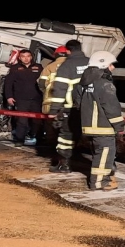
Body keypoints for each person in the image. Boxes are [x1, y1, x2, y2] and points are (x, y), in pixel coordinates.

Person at [75, 50, 124, 190]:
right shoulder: (105, 84)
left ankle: (101, 179)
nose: (113, 68)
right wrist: (119, 126)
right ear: (103, 66)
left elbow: (77, 103)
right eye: (111, 65)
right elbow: (112, 107)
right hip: (103, 126)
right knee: (104, 155)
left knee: (98, 154)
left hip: (88, 125)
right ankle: (99, 182)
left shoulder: (83, 83)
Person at [47, 39, 89, 173]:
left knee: (66, 136)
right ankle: (107, 166)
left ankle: (64, 165)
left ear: (68, 51)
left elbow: (60, 89)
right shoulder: (91, 63)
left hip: (72, 109)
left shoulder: (66, 66)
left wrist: (54, 110)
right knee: (96, 137)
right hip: (92, 108)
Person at [3, 48, 44, 146]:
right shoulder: (15, 68)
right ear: (20, 58)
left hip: (36, 99)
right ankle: (19, 140)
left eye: (28, 56)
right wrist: (9, 96)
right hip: (21, 99)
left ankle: (36, 138)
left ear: (31, 57)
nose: (26, 59)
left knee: (37, 121)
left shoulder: (39, 67)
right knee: (22, 121)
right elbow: (8, 83)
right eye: (23, 57)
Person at [39, 45, 70, 146]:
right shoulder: (73, 66)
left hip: (50, 102)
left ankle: (50, 145)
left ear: (56, 55)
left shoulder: (49, 67)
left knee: (50, 125)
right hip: (67, 102)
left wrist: (46, 92)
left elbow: (41, 83)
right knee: (66, 125)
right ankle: (63, 146)